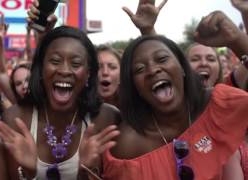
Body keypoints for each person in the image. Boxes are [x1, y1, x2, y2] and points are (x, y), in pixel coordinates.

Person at [100, 10, 248, 179]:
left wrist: (238, 40)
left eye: (162, 59)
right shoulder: (127, 145)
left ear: (184, 70)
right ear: (135, 88)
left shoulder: (220, 104)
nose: (153, 70)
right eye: (140, 69)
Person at [0, 1, 121, 179]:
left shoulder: (107, 118)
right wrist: (30, 173)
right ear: (40, 69)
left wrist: (85, 172)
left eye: (76, 64)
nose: (64, 70)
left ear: (89, 74)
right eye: (55, 61)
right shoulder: (16, 119)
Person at [0, 15, 31, 105]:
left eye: (29, 80)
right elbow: (0, 73)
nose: (24, 86)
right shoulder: (18, 101)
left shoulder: (52, 101)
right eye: (18, 84)